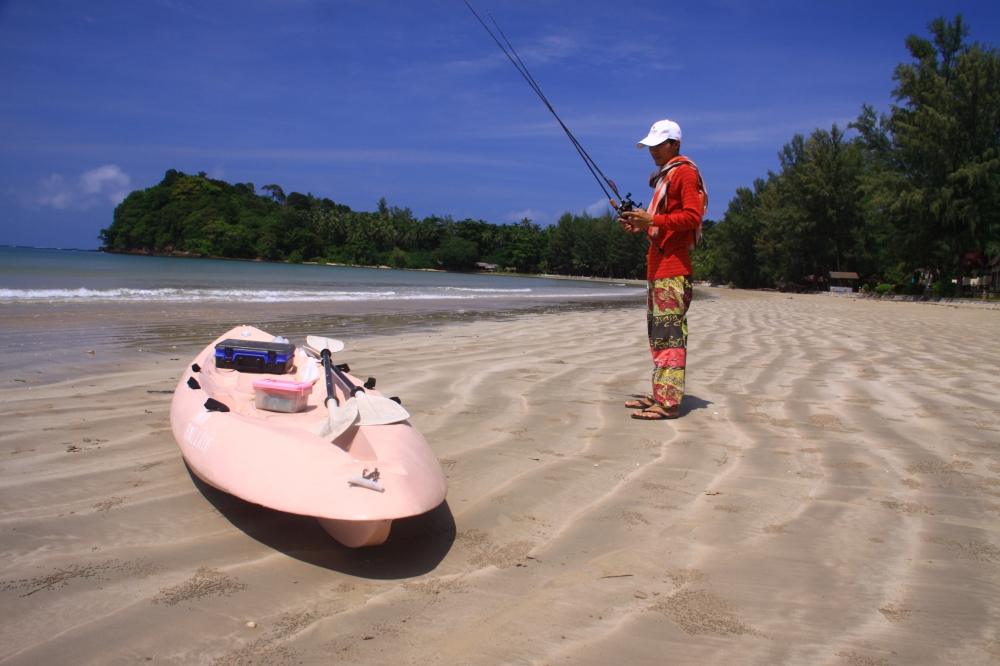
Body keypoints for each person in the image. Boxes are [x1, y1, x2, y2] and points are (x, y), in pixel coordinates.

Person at [618, 119, 706, 420]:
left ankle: (668, 403)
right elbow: (662, 224)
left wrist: (651, 221)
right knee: (659, 336)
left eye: (660, 144)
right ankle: (661, 393)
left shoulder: (684, 173)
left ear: (675, 144)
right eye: (651, 146)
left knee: (669, 337)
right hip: (659, 269)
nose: (654, 151)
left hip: (674, 269)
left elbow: (693, 217)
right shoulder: (665, 178)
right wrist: (639, 224)